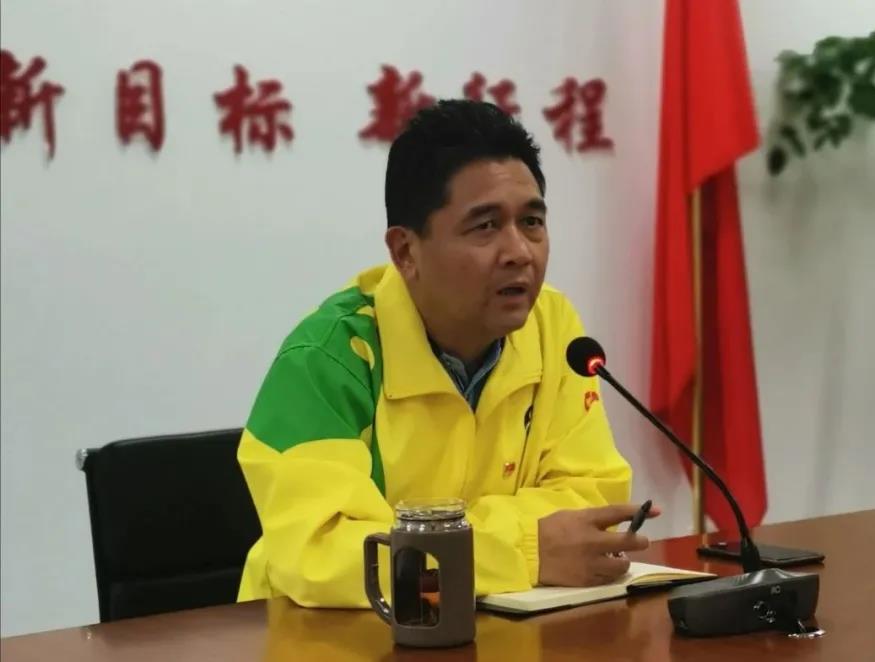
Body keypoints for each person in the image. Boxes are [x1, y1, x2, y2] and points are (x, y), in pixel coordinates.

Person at [236, 99, 654, 607]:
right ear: (406, 251)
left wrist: (457, 544)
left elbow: (593, 500)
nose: (519, 252)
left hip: (495, 622)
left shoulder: (554, 328)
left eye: (532, 222)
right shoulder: (328, 358)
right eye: (485, 226)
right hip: (321, 631)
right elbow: (322, 554)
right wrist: (523, 550)